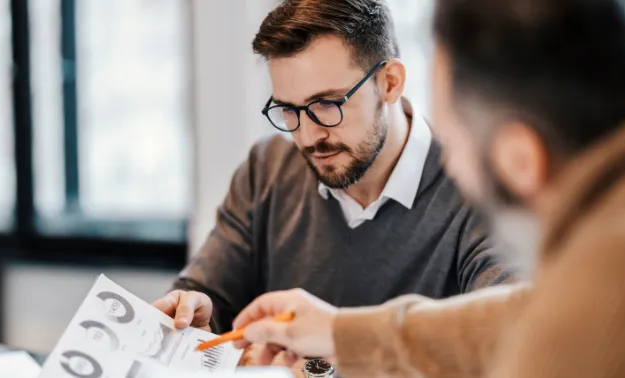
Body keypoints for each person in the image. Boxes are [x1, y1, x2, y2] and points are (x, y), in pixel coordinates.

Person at [231, 0, 625, 377]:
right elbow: (519, 318)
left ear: (521, 159)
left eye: (453, 141)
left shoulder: (607, 285)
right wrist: (339, 333)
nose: (448, 167)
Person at [153, 0, 514, 369]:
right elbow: (208, 293)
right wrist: (194, 312)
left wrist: (324, 367)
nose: (308, 136)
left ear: (390, 83)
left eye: (326, 104)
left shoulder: (478, 189)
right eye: (289, 110)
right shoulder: (267, 170)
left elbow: (510, 343)